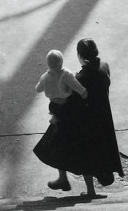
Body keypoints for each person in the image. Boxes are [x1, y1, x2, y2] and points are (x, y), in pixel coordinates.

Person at [33, 39, 123, 199]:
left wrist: (54, 110)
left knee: (65, 143)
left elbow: (73, 102)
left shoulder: (80, 77)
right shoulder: (104, 67)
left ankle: (67, 181)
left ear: (80, 55)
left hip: (86, 121)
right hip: (103, 118)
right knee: (92, 154)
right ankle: (89, 189)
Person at [33, 50, 90, 193]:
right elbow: (79, 89)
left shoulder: (45, 77)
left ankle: (62, 178)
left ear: (48, 64)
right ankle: (83, 186)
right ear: (61, 63)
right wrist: (84, 96)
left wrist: (45, 85)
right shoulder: (66, 74)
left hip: (55, 108)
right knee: (72, 143)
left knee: (58, 142)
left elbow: (37, 89)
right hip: (67, 108)